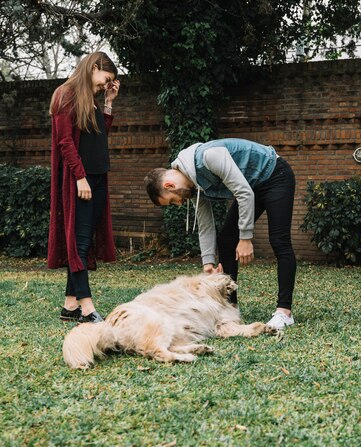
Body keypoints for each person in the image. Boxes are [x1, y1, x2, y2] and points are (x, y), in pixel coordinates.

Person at [144, 138, 297, 330]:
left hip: (275, 175)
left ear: (169, 186)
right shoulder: (193, 186)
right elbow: (205, 224)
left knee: (279, 240)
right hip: (252, 186)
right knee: (226, 239)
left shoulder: (209, 157)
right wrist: (207, 263)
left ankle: (284, 312)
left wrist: (245, 238)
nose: (179, 204)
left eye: (173, 201)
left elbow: (244, 194)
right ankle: (231, 308)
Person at [47, 51, 121, 324]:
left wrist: (108, 102)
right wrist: (80, 177)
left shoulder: (89, 98)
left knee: (84, 241)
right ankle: (87, 309)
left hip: (98, 177)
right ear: (95, 67)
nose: (105, 85)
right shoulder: (65, 95)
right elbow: (65, 142)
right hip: (81, 180)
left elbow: (99, 134)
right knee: (78, 242)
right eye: (106, 79)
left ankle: (69, 306)